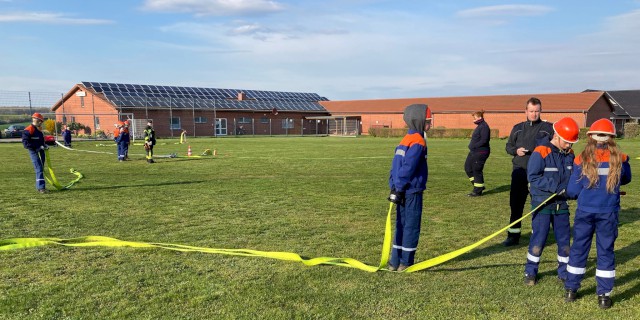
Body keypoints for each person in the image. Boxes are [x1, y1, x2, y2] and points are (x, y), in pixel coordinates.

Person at [564, 119, 631, 309]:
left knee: (578, 249)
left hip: (585, 211)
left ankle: (571, 289)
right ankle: (604, 295)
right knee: (605, 251)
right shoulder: (621, 158)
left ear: (591, 136)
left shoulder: (581, 158)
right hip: (608, 212)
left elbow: (573, 190)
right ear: (612, 137)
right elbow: (626, 178)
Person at [523, 117, 579, 286]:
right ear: (557, 136)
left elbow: (574, 177)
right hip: (543, 204)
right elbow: (532, 177)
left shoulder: (570, 154)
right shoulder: (541, 151)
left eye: (572, 143)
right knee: (538, 239)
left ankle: (564, 272)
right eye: (567, 142)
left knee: (564, 240)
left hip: (561, 205)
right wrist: (556, 187)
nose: (570, 146)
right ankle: (530, 272)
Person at [503, 97, 554, 246]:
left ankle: (537, 236)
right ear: (526, 111)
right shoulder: (517, 128)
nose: (534, 114)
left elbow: (554, 147)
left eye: (537, 111)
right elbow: (508, 146)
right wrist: (515, 150)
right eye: (531, 111)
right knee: (516, 204)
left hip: (539, 173)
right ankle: (513, 235)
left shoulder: (548, 128)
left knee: (538, 205)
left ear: (541, 111)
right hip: (519, 171)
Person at [387, 104, 432, 272]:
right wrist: (399, 187)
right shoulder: (419, 141)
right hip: (412, 190)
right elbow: (408, 167)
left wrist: (394, 186)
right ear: (419, 121)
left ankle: (394, 262)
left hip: (400, 189)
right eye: (428, 121)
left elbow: (394, 166)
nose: (430, 125)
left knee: (401, 224)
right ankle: (406, 262)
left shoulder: (405, 139)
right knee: (411, 226)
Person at [465, 110, 491, 196]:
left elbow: (484, 140)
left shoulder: (484, 127)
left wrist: (474, 146)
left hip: (481, 152)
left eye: (475, 118)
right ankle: (479, 186)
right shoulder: (480, 126)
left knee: (477, 170)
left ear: (480, 118)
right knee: (468, 168)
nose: (473, 120)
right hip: (473, 151)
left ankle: (477, 191)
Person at [21, 113, 48, 193]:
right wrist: (37, 147)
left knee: (41, 168)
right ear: (35, 119)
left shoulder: (38, 130)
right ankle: (41, 188)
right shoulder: (28, 130)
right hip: (33, 151)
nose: (41, 123)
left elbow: (41, 141)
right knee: (39, 168)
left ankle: (40, 187)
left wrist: (44, 145)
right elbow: (26, 144)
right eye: (40, 121)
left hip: (41, 150)